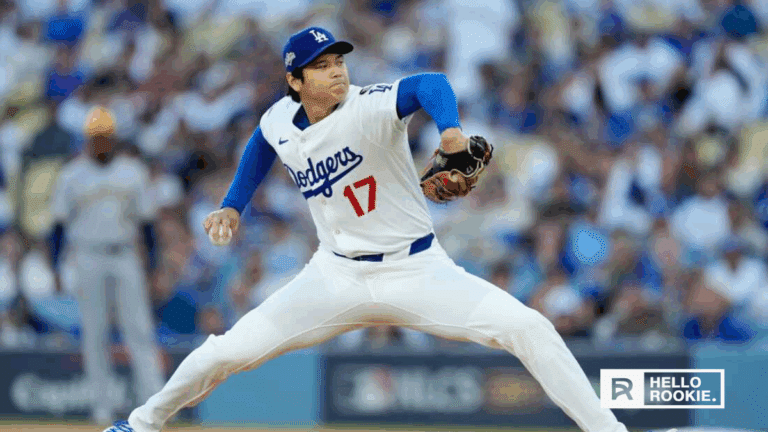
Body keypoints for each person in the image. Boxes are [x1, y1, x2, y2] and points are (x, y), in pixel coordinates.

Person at [105, 27, 673, 432]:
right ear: (295, 80)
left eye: (340, 62)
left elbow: (430, 82)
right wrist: (233, 204)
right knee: (224, 353)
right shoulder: (281, 117)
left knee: (527, 326)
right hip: (333, 277)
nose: (337, 72)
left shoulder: (368, 106)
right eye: (323, 66)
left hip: (416, 269)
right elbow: (262, 142)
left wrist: (450, 132)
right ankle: (140, 424)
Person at [50, 106, 165, 426]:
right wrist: (55, 268)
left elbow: (148, 226)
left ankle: (153, 406)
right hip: (87, 255)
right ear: (87, 139)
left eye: (105, 138)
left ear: (114, 138)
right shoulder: (71, 174)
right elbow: (57, 227)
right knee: (94, 333)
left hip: (125, 254)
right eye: (95, 138)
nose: (100, 143)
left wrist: (154, 266)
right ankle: (101, 407)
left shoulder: (133, 171)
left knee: (139, 330)